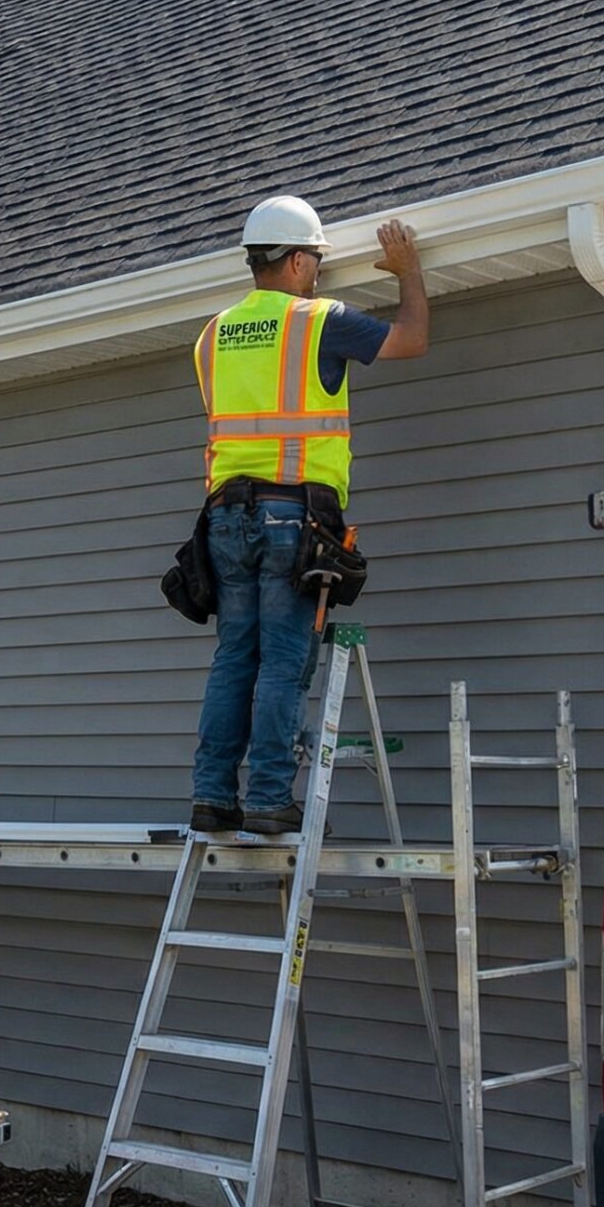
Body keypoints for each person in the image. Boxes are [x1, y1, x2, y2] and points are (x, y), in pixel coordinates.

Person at [188, 196, 429, 835]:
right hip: (291, 519)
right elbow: (411, 340)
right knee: (284, 658)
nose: (318, 273)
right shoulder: (319, 321)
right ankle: (268, 798)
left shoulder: (212, 335)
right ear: (296, 260)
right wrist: (408, 269)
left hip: (223, 519)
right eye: (316, 262)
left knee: (234, 655)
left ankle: (213, 796)